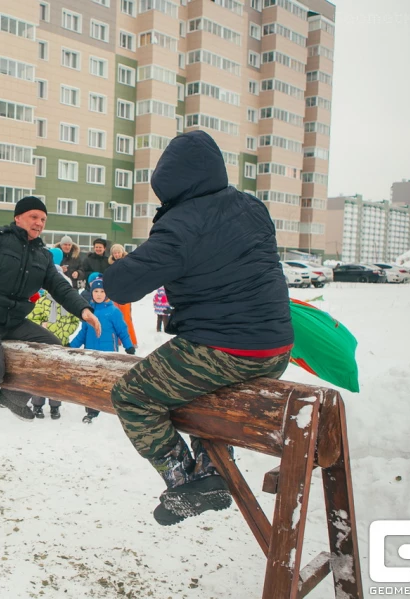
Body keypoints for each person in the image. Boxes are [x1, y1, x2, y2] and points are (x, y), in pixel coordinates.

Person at [103, 130, 294, 526]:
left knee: (132, 395)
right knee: (202, 397)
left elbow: (122, 285)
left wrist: (115, 264)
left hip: (223, 348)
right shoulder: (252, 206)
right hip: (275, 349)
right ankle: (212, 471)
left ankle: (182, 477)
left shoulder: (183, 224)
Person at [0, 196, 101, 427]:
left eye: (43, 219)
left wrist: (84, 309)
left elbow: (60, 286)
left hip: (13, 321)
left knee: (53, 348)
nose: (39, 223)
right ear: (18, 217)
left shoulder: (42, 255)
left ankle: (14, 397)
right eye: (33, 217)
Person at [68, 277, 135, 424]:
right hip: (90, 353)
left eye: (102, 291)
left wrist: (128, 345)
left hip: (108, 353)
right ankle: (91, 409)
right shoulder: (89, 312)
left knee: (106, 380)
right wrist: (71, 346)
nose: (99, 294)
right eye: (96, 291)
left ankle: (109, 404)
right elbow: (83, 333)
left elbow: (123, 330)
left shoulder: (113, 312)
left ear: (107, 293)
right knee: (90, 380)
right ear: (91, 293)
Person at [26, 247, 80, 420]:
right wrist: (42, 325)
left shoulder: (68, 305)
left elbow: (75, 321)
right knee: (40, 376)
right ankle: (37, 405)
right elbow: (31, 319)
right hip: (43, 346)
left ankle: (55, 406)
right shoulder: (42, 302)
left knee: (57, 378)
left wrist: (66, 330)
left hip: (62, 344)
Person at [106, 244, 138, 347]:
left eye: (118, 252)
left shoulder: (128, 262)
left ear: (122, 252)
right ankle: (118, 340)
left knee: (126, 318)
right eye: (114, 253)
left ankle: (132, 341)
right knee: (116, 317)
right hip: (115, 294)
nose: (116, 255)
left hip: (125, 294)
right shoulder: (111, 265)